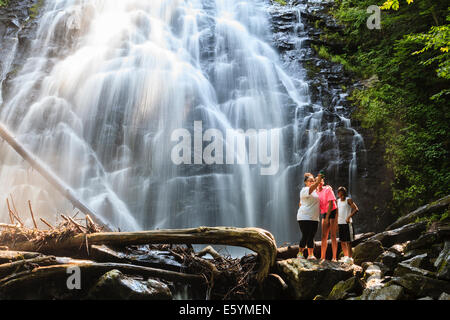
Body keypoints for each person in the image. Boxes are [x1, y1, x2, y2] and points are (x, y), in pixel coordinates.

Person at [296, 172, 323, 260]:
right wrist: (317, 181)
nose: (312, 182)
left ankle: (310, 255)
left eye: (313, 180)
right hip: (304, 217)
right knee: (305, 235)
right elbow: (312, 188)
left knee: (311, 236)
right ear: (305, 182)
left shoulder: (315, 192)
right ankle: (300, 253)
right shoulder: (305, 190)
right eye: (310, 180)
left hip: (314, 217)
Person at [316, 175, 338, 262]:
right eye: (318, 181)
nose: (320, 183)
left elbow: (332, 204)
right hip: (325, 213)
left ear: (323, 182)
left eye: (321, 181)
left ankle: (334, 258)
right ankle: (322, 257)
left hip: (332, 211)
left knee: (333, 235)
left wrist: (327, 218)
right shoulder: (316, 192)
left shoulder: (327, 189)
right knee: (324, 236)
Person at [337, 186, 359, 264]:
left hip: (347, 223)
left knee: (348, 241)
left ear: (344, 193)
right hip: (340, 223)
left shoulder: (348, 200)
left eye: (341, 192)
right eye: (339, 192)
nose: (340, 194)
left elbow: (356, 209)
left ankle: (350, 258)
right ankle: (346, 257)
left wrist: (349, 217)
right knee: (342, 241)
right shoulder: (338, 201)